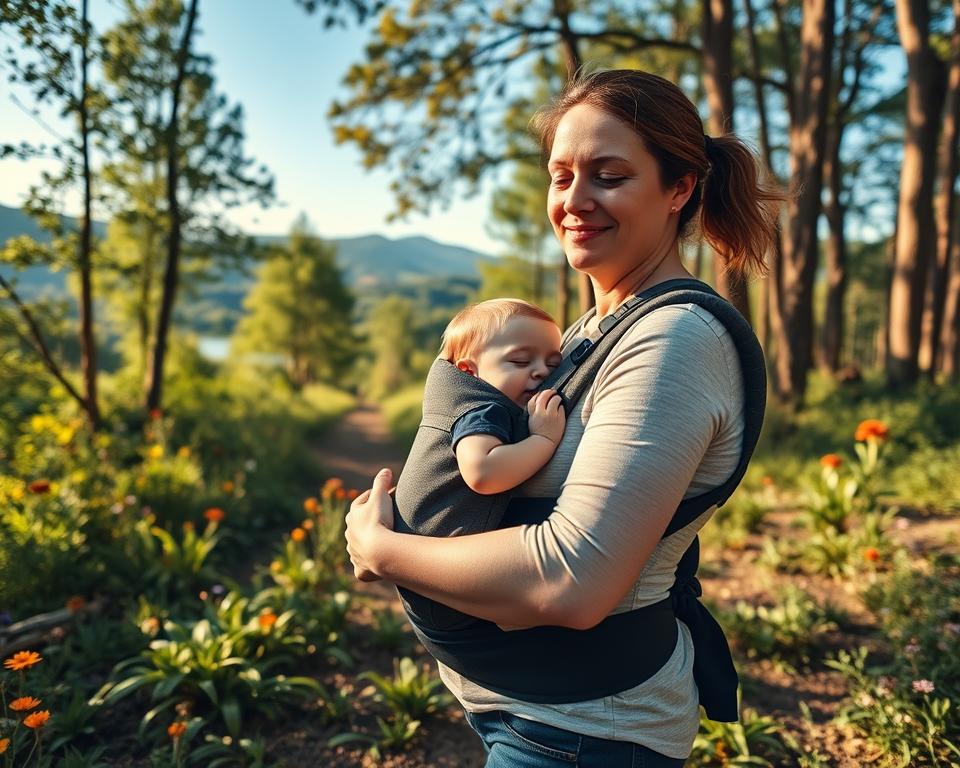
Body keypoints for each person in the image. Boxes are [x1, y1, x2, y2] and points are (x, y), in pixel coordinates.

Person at [344, 68, 782, 766]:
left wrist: (384, 550)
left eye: (608, 175)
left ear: (679, 188)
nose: (574, 201)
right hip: (535, 710)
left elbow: (571, 579)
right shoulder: (588, 330)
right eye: (561, 175)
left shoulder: (674, 341)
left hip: (584, 731)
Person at [394, 298, 566, 630]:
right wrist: (543, 440)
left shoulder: (465, 401)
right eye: (520, 360)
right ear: (470, 371)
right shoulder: (481, 409)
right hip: (443, 579)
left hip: (433, 574)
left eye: (553, 363)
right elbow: (483, 472)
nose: (542, 371)